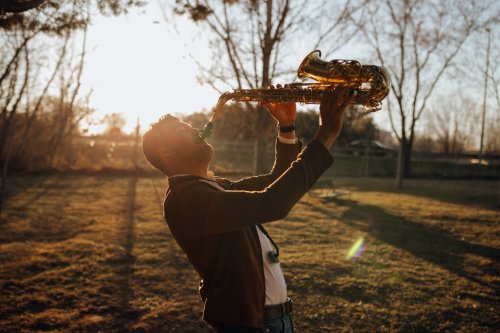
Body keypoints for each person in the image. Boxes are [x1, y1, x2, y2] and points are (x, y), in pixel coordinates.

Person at [142, 86, 354, 333]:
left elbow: (276, 180)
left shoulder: (214, 187)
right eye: (183, 132)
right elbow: (272, 202)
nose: (197, 131)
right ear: (168, 154)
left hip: (275, 321)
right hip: (249, 326)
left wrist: (286, 127)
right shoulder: (185, 199)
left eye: (190, 126)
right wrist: (326, 133)